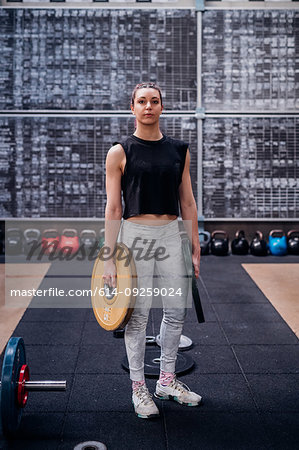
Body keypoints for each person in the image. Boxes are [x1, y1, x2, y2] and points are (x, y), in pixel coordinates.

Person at [103, 82, 202, 419]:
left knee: (176, 311)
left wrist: (194, 247)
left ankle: (166, 381)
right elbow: (114, 209)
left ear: (162, 107)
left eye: (154, 101)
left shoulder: (179, 150)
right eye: (141, 101)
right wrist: (108, 257)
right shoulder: (119, 151)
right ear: (132, 107)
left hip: (172, 235)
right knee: (139, 314)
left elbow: (187, 202)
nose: (148, 106)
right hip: (135, 237)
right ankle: (138, 389)